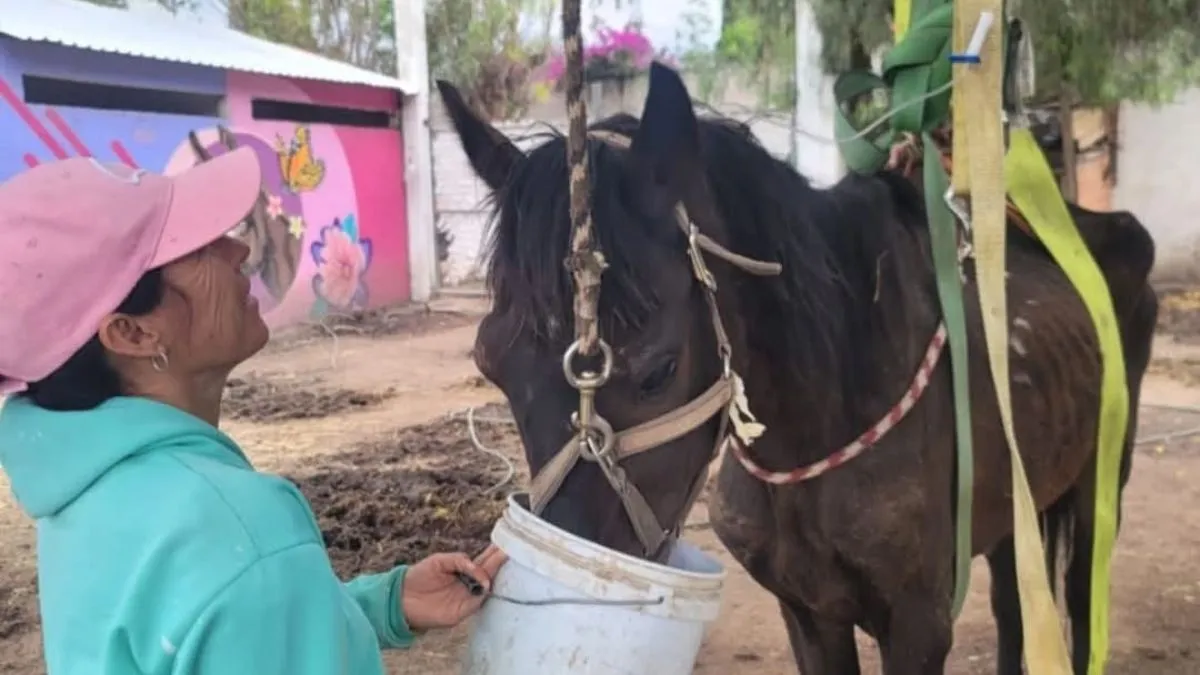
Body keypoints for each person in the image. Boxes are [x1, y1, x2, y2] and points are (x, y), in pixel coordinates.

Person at [0, 149, 506, 674]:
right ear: (132, 332)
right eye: (196, 248)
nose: (238, 248)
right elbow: (238, 584)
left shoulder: (87, 496)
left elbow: (199, 633)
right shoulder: (235, 528)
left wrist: (379, 606)